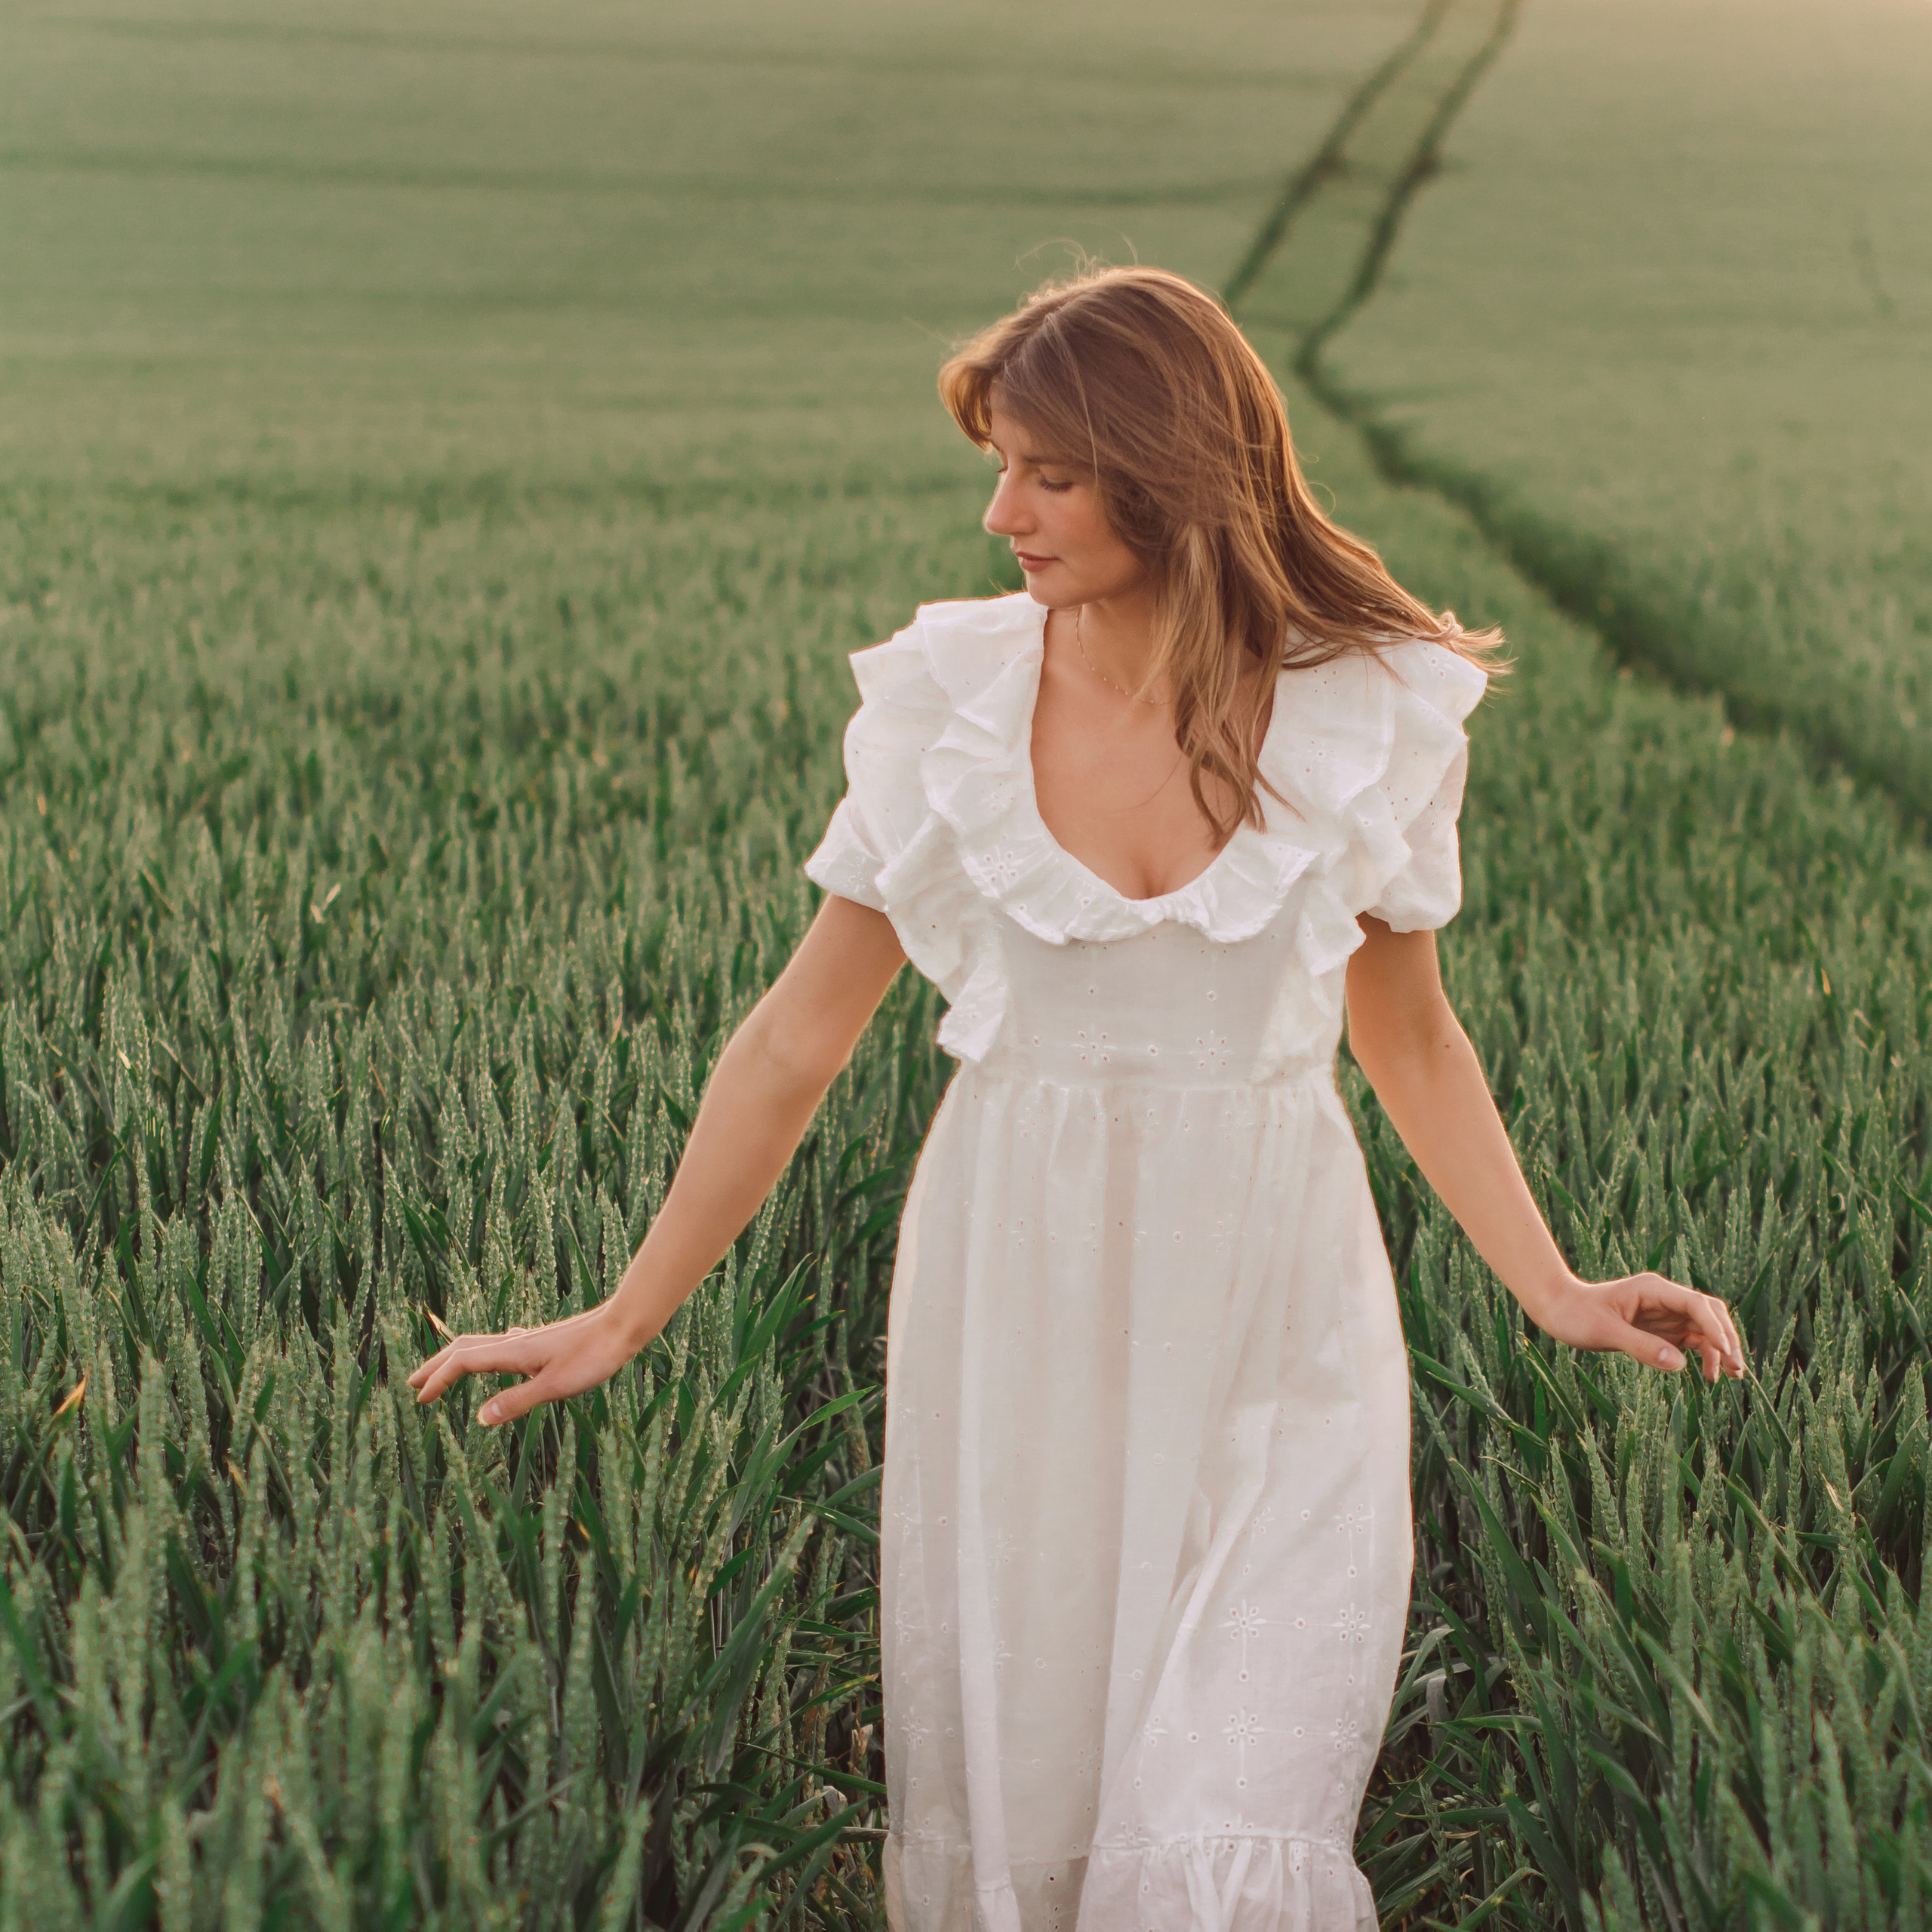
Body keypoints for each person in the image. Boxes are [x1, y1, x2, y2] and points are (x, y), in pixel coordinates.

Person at [410, 266, 1746, 1932]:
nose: (1002, 515)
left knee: (1227, 1826)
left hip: (1282, 1316)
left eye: (1050, 475)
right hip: (1018, 1311)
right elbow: (794, 1040)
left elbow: (1408, 1036)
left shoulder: (1367, 707)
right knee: (1039, 1837)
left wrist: (1552, 1286)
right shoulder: (950, 707)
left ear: (1173, 470)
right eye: (1000, 469)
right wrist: (624, 1313)